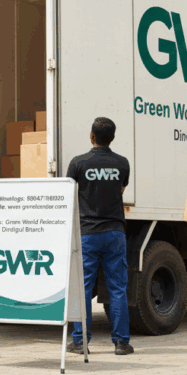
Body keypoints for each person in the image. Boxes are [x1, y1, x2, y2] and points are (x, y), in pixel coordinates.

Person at [66, 117, 134, 356]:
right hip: (115, 233)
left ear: (91, 136)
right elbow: (121, 190)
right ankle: (121, 343)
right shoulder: (122, 163)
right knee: (117, 288)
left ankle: (80, 341)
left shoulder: (78, 163)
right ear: (112, 138)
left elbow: (69, 195)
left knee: (83, 287)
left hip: (87, 234)